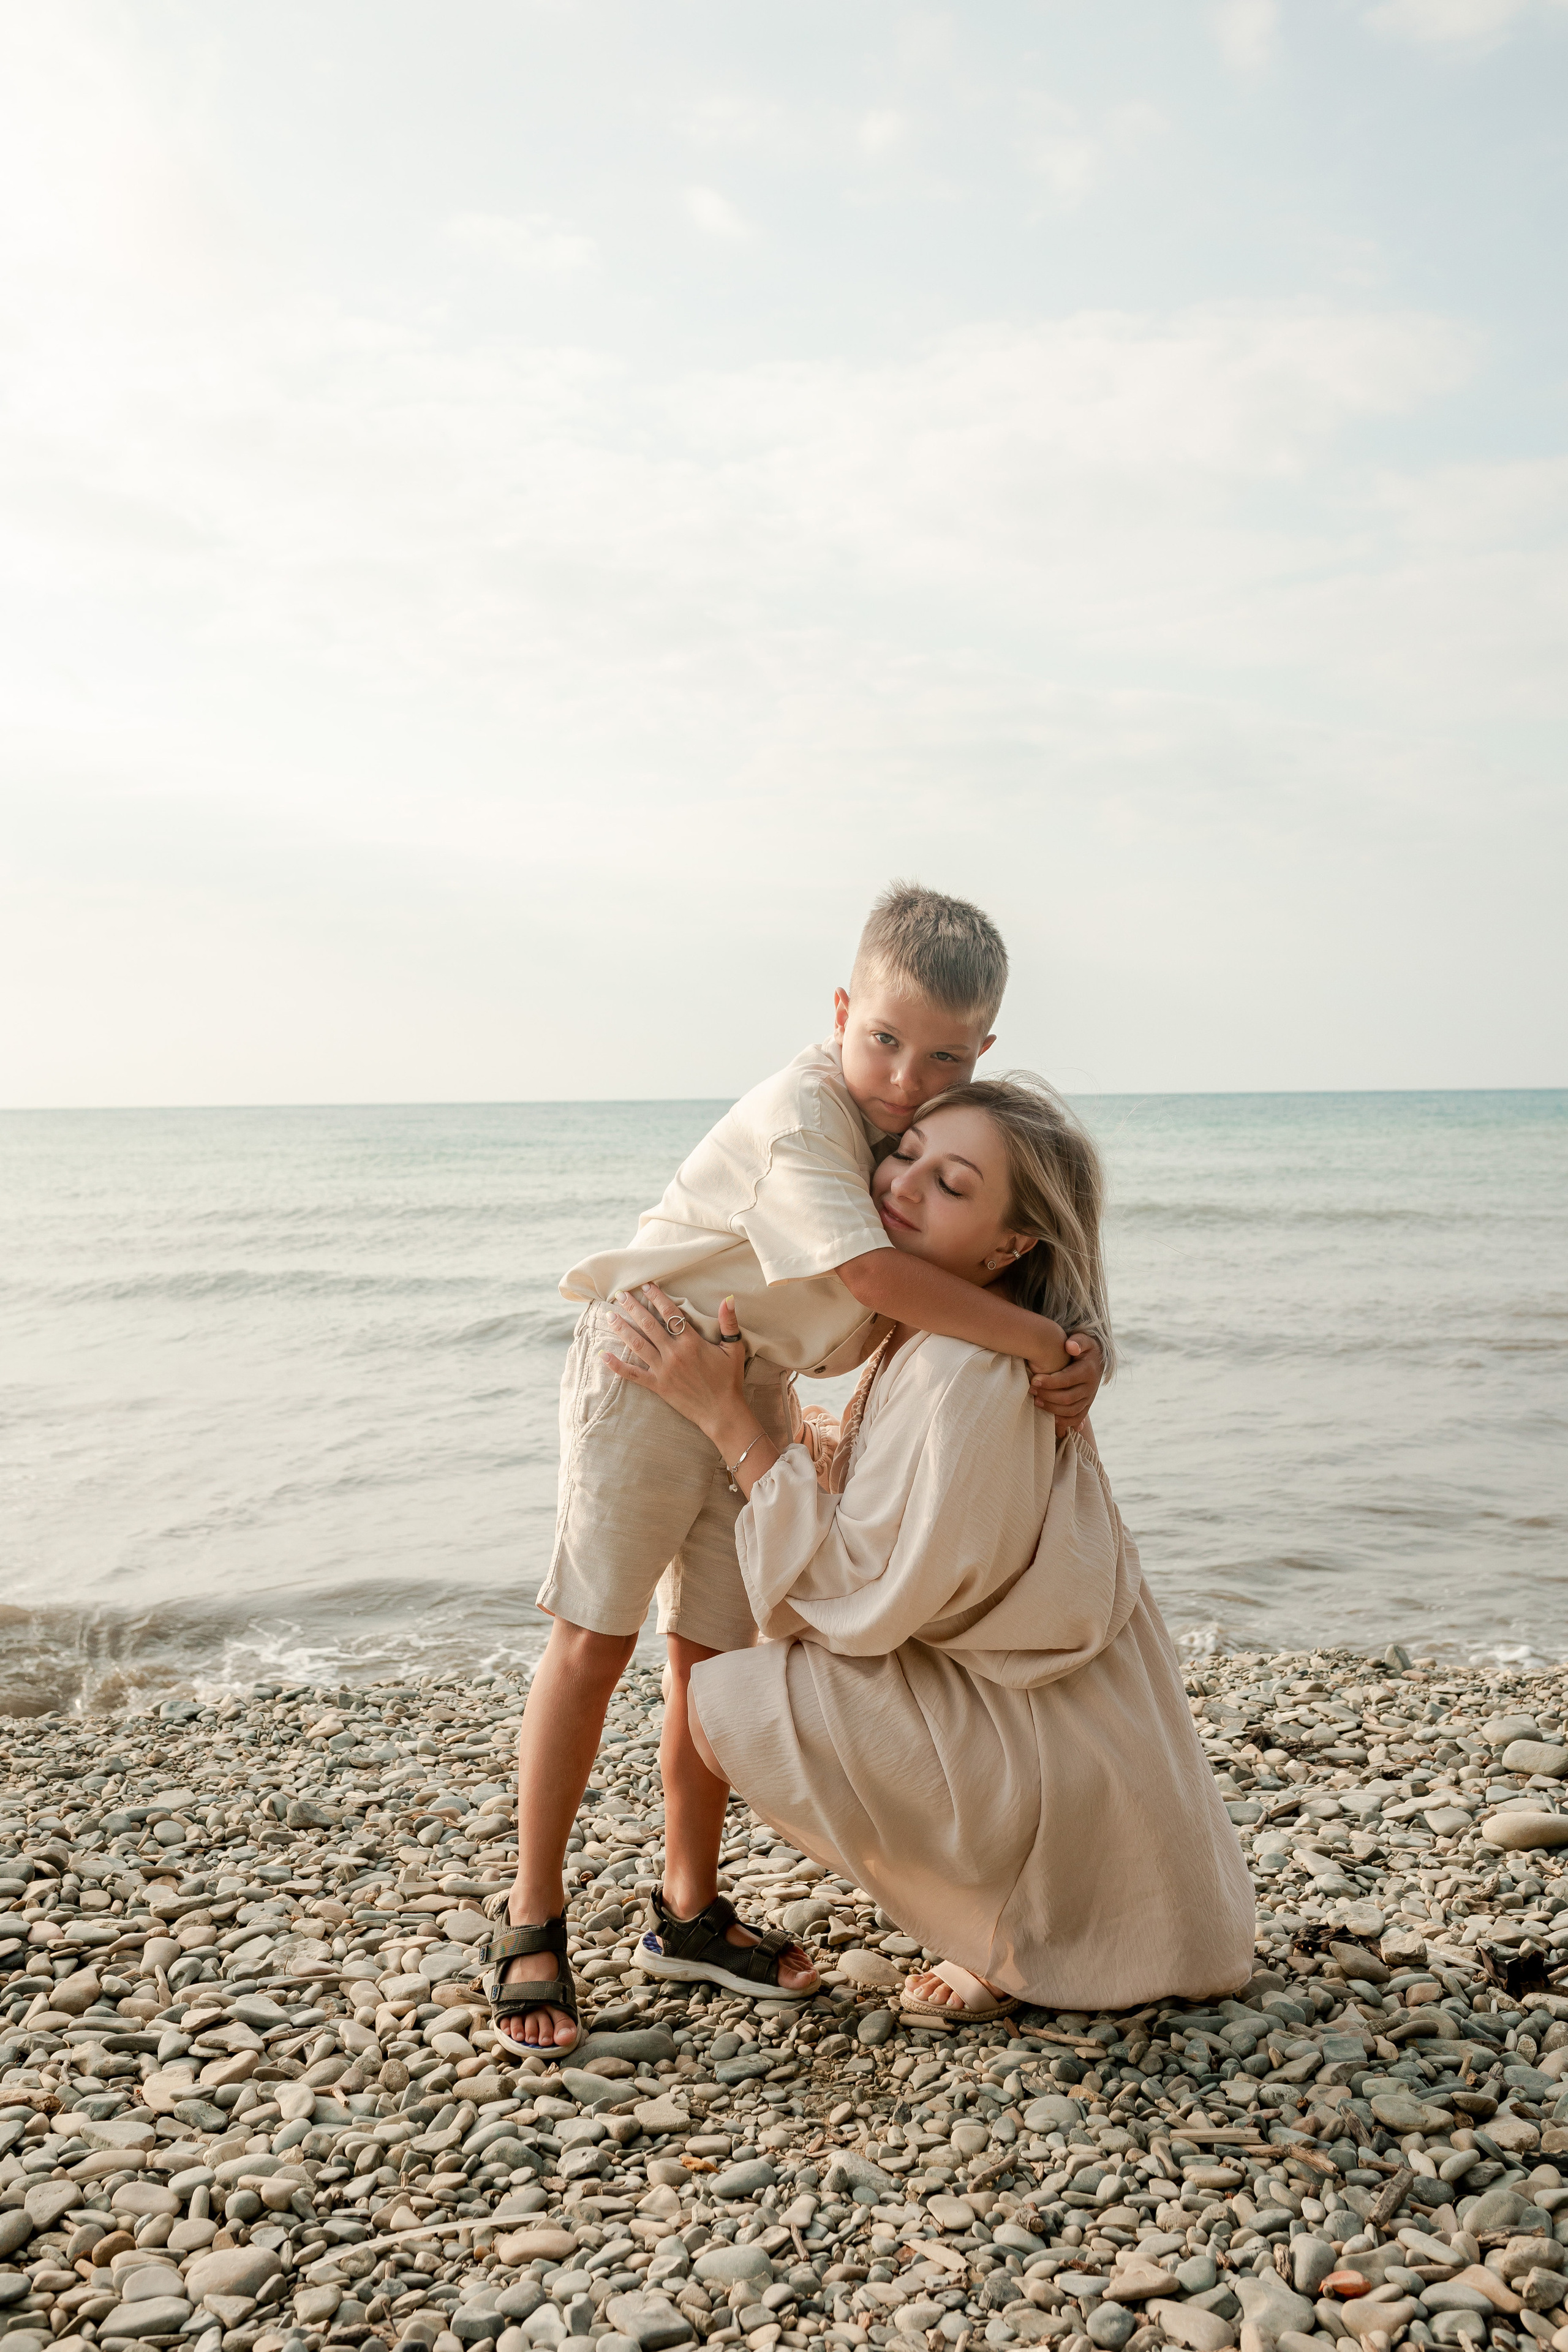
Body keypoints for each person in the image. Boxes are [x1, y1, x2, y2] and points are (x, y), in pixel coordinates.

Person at [489, 886, 1108, 2050]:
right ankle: (531, 1913)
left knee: (714, 1651)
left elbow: (998, 1260)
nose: (906, 1081)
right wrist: (1041, 1346)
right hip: (651, 1360)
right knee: (595, 1637)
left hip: (745, 1381)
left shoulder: (917, 1140)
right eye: (883, 1039)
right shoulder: (807, 1119)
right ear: (840, 1011)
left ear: (983, 1051)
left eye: (943, 1057)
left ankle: (686, 1913)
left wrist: (1087, 1347)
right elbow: (875, 1281)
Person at [602, 1076, 1255, 2019]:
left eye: (951, 1185)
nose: (901, 1185)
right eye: (904, 1153)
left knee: (728, 1702)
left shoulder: (968, 1367)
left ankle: (1014, 1933)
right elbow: (899, 1515)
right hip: (1061, 1720)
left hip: (1046, 1748)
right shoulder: (961, 1334)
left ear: (1012, 1244)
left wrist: (726, 1418)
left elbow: (867, 1587)